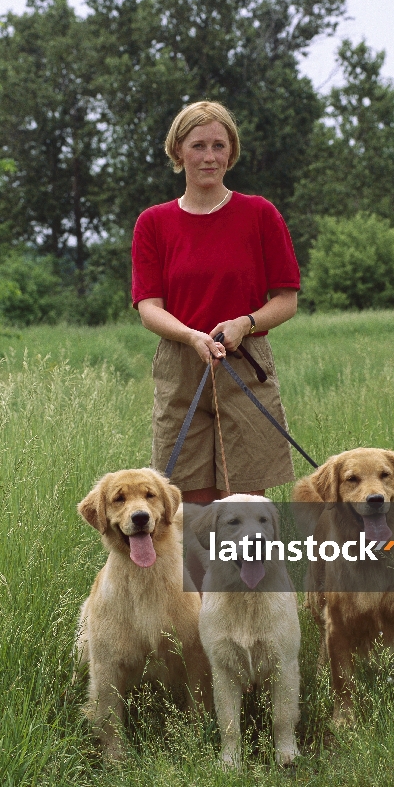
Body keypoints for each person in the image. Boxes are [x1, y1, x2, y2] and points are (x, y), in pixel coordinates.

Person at [132, 100, 300, 504]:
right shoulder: (153, 222)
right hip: (181, 362)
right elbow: (148, 307)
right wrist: (190, 336)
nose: (210, 156)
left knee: (243, 508)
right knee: (190, 509)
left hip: (244, 361)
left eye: (219, 146)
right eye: (198, 145)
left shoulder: (259, 214)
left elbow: (286, 299)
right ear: (178, 151)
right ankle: (197, 571)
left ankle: (249, 570)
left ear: (232, 152)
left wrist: (246, 322)